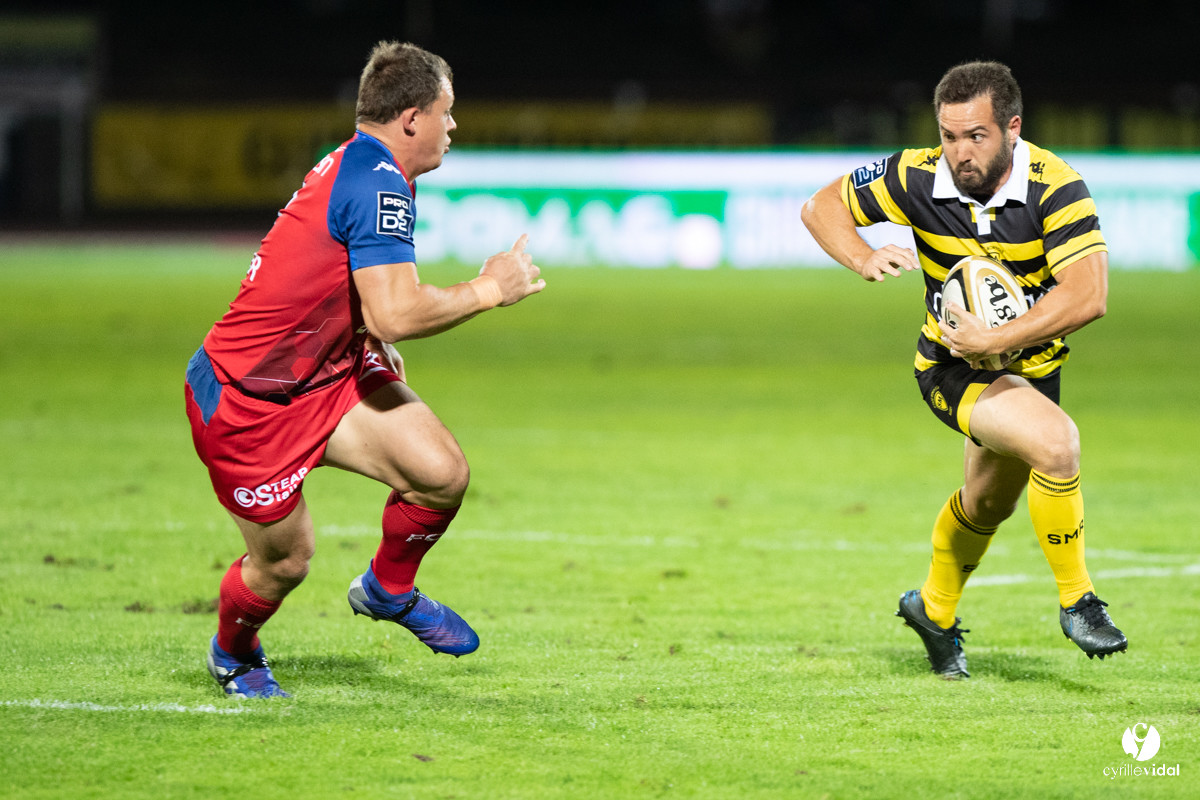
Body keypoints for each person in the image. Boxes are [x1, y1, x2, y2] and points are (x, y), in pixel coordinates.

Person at [184, 41, 545, 698]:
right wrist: (492, 288)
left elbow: (345, 293)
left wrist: (363, 340)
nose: (453, 126)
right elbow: (397, 313)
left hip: (326, 376)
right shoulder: (376, 181)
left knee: (440, 474)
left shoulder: (369, 167)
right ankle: (232, 652)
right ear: (412, 118)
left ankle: (388, 588)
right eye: (446, 111)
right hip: (248, 404)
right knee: (285, 563)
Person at [800, 61, 1126, 678]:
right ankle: (1078, 601)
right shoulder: (915, 174)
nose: (959, 153)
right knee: (1057, 445)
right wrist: (863, 256)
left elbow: (1089, 295)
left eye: (975, 136)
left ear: (1012, 128)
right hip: (951, 369)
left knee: (986, 503)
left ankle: (932, 608)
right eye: (949, 136)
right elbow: (820, 207)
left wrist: (997, 335)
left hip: (1029, 366)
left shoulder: (1055, 186)